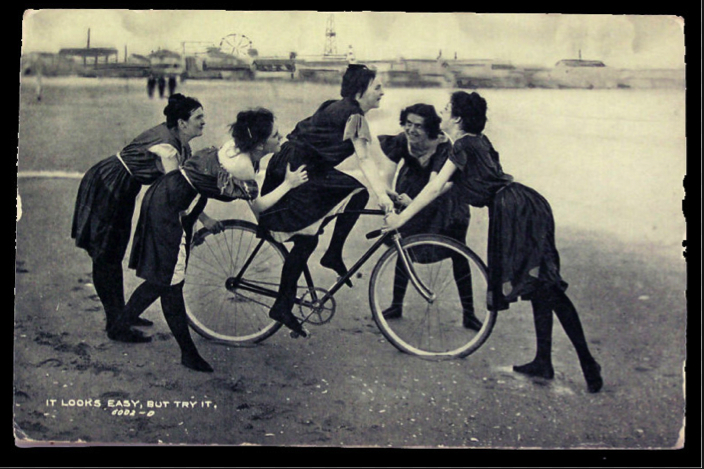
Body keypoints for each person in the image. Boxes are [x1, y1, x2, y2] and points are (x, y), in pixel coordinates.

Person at [383, 91, 603, 393]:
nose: (442, 113)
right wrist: (412, 205)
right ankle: (544, 361)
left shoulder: (462, 145)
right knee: (539, 286)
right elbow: (448, 185)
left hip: (516, 212)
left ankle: (587, 361)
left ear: (457, 118)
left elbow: (436, 187)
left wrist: (401, 219)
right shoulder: (477, 141)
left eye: (447, 109)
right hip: (522, 206)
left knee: (547, 287)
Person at [115, 108, 306, 372]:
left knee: (164, 278)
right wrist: (289, 184)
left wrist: (203, 218)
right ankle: (187, 353)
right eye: (275, 135)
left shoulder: (237, 148)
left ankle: (121, 323)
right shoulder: (243, 166)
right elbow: (259, 207)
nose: (281, 137)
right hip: (171, 211)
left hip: (174, 202)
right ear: (260, 145)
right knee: (171, 283)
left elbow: (197, 181)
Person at [257, 64, 394, 337]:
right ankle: (331, 256)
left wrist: (386, 190)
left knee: (309, 237)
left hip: (296, 165)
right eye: (377, 87)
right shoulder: (354, 116)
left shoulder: (336, 106)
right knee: (357, 194)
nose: (382, 92)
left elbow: (366, 156)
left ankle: (285, 302)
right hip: (298, 170)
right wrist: (381, 195)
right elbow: (364, 158)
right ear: (360, 91)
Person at [71, 93, 217, 343]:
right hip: (108, 184)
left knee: (112, 254)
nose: (204, 121)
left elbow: (184, 189)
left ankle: (121, 315)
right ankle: (116, 323)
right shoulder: (169, 148)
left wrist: (200, 218)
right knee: (105, 255)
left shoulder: (182, 144)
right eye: (198, 117)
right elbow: (176, 194)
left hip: (123, 187)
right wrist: (203, 219)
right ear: (182, 123)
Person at [378, 103, 481, 331]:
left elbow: (437, 184)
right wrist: (388, 195)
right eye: (408, 124)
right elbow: (387, 174)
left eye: (418, 126)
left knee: (458, 251)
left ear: (430, 129)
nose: (411, 130)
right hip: (411, 187)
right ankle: (396, 305)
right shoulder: (402, 140)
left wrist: (413, 203)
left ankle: (469, 313)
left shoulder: (444, 146)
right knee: (404, 245)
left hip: (445, 198)